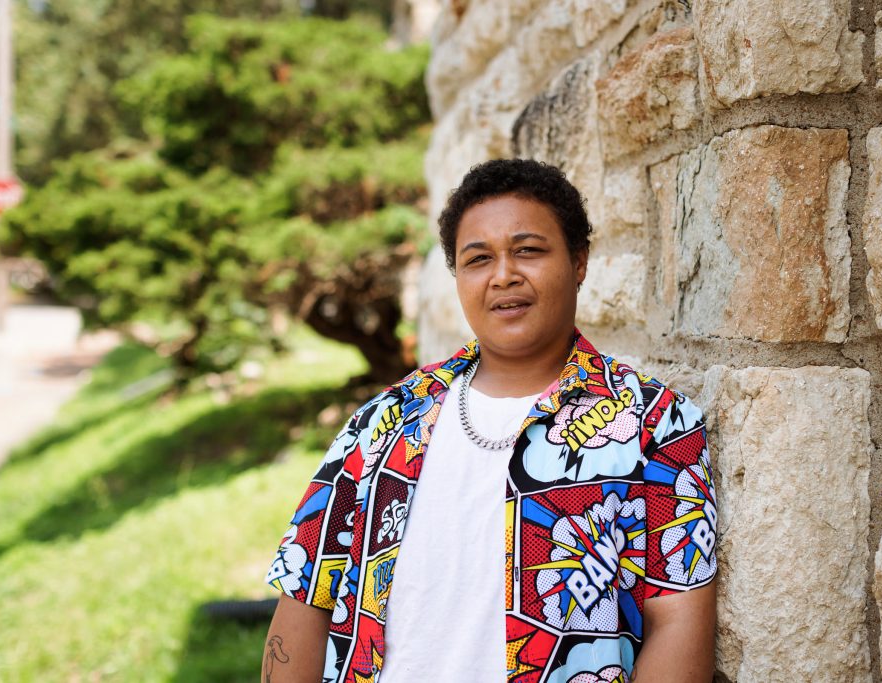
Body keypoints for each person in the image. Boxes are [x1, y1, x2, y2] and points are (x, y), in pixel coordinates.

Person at [262, 159, 718, 683]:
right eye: (478, 259)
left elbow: (678, 623)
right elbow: (306, 593)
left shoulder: (656, 426)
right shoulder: (386, 418)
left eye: (528, 250)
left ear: (579, 261)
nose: (504, 275)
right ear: (458, 278)